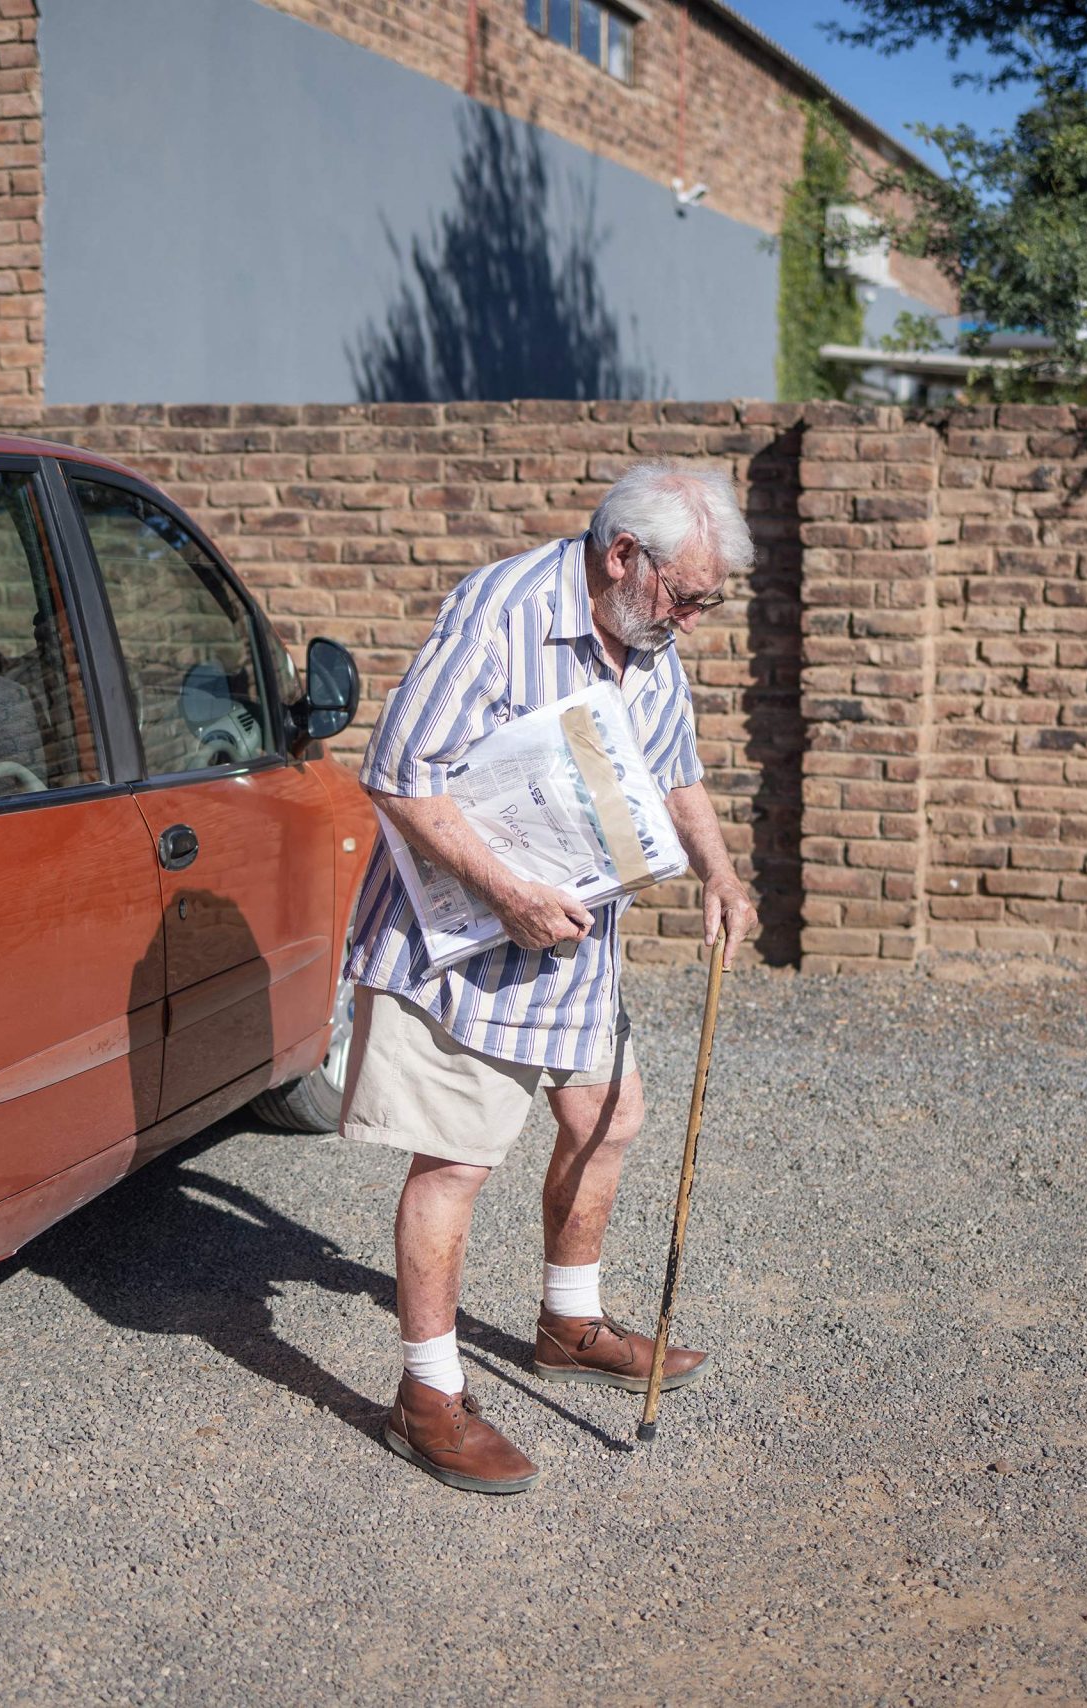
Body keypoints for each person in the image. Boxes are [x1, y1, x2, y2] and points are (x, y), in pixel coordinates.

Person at [337, 462, 759, 1494]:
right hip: (471, 940)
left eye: (709, 601)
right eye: (690, 596)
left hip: (572, 942)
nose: (696, 621)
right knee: (455, 1162)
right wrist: (510, 889)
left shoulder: (649, 636)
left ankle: (568, 1323)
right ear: (625, 557)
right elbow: (398, 772)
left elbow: (673, 770)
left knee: (607, 1118)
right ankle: (424, 1396)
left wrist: (719, 868)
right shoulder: (501, 614)